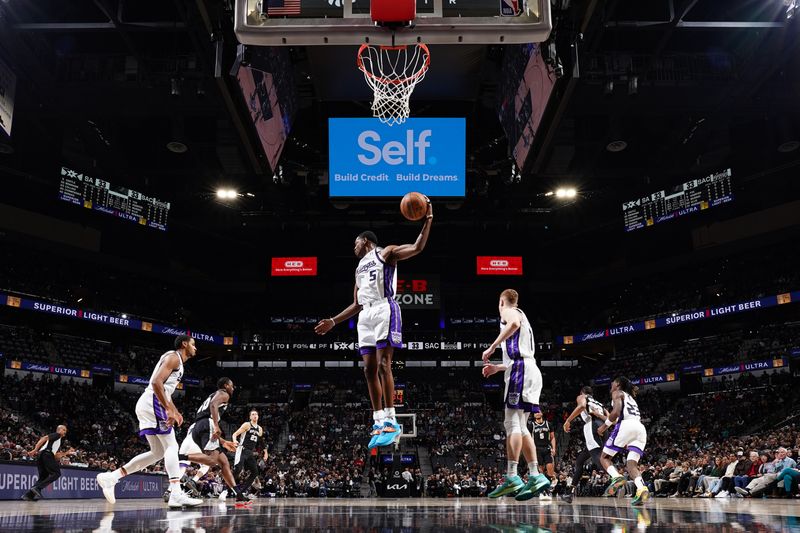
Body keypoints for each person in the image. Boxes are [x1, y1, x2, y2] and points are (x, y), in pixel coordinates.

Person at [314, 201, 433, 449]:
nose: (354, 246)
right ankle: (379, 421)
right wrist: (334, 321)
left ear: (365, 240)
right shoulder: (358, 269)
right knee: (368, 370)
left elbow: (417, 247)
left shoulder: (385, 252)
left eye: (356, 242)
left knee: (383, 364)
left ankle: (391, 421)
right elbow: (356, 304)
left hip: (385, 308)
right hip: (365, 316)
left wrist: (427, 219)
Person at [97, 336, 203, 508]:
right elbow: (156, 383)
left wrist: (174, 410)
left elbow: (165, 389)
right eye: (193, 344)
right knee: (172, 447)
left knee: (157, 452)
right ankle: (176, 493)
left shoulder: (178, 362)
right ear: (184, 344)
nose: (195, 348)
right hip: (153, 402)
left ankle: (111, 478)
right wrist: (168, 408)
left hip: (149, 403)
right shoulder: (174, 357)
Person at [481, 289, 550, 501]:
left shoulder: (509, 311)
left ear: (502, 301)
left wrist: (492, 346)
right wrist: (497, 368)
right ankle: (535, 474)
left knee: (511, 423)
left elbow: (513, 325)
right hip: (526, 369)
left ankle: (512, 476)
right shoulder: (521, 314)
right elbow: (517, 353)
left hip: (521, 371)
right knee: (521, 425)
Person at [177, 377, 247, 503]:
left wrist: (223, 442)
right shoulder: (223, 394)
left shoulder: (213, 394)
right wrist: (216, 424)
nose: (233, 388)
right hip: (207, 423)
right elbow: (213, 405)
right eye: (231, 385)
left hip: (200, 425)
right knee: (212, 461)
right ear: (226, 386)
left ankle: (238, 493)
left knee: (224, 462)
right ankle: (180, 457)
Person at [597, 376, 649, 506]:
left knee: (604, 457)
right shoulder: (631, 398)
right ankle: (641, 487)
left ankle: (616, 477)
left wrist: (604, 427)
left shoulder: (617, 393)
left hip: (626, 426)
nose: (611, 384)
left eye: (613, 382)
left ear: (618, 384)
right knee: (631, 464)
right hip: (640, 429)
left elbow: (615, 413)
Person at [561, 386, 608, 503]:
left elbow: (581, 406)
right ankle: (570, 493)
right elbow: (610, 417)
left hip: (592, 425)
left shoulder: (582, 397)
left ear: (582, 392)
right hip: (604, 427)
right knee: (580, 461)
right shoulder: (600, 404)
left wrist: (568, 420)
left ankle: (616, 476)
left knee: (598, 457)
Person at [21, 425, 76, 501]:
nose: (64, 432)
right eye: (63, 430)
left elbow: (56, 456)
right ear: (59, 430)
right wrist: (35, 449)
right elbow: (44, 438)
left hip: (42, 455)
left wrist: (67, 453)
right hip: (46, 454)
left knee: (43, 477)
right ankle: (37, 488)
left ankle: (28, 495)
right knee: (56, 473)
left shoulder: (57, 441)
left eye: (65, 431)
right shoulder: (57, 435)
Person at [231, 408, 269, 497]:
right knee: (238, 470)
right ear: (250, 417)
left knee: (255, 472)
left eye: (256, 414)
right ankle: (225, 489)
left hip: (250, 452)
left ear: (258, 416)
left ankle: (241, 492)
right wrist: (234, 440)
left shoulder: (259, 429)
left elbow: (261, 442)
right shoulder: (247, 425)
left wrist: (266, 452)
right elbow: (235, 434)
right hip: (242, 449)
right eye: (253, 414)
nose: (255, 415)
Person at [531, 410, 556, 499]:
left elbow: (552, 437)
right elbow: (529, 439)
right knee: (541, 470)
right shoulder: (532, 425)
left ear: (542, 413)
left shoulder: (548, 424)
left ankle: (548, 486)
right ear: (534, 416)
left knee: (550, 468)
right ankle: (543, 491)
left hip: (547, 448)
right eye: (535, 413)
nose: (537, 413)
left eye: (538, 412)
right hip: (537, 449)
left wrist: (554, 448)